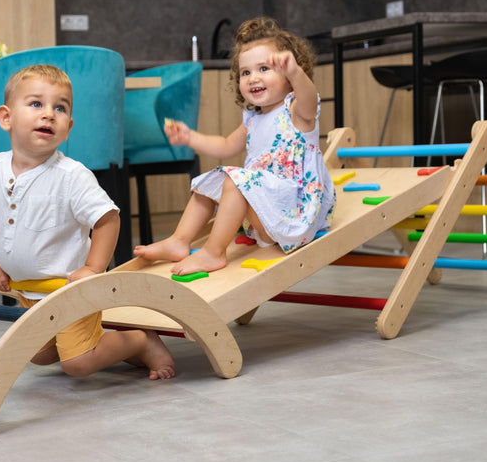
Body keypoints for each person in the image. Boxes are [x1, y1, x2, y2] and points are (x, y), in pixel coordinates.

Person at [0, 65, 175, 380]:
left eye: (60, 108)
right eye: (36, 103)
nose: (49, 114)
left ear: (68, 127)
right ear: (6, 117)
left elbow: (108, 219)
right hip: (28, 288)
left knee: (76, 364)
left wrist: (93, 268)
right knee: (38, 355)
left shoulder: (71, 175)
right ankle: (108, 346)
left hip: (67, 288)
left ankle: (140, 340)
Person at [134, 17, 336, 275]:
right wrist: (190, 137)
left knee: (235, 181)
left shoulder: (296, 111)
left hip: (294, 214)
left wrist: (295, 72)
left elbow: (309, 100)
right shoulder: (253, 120)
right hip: (264, 214)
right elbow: (225, 146)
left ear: (287, 74)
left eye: (264, 68)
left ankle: (213, 252)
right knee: (213, 181)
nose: (253, 78)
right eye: (245, 72)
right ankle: (178, 240)